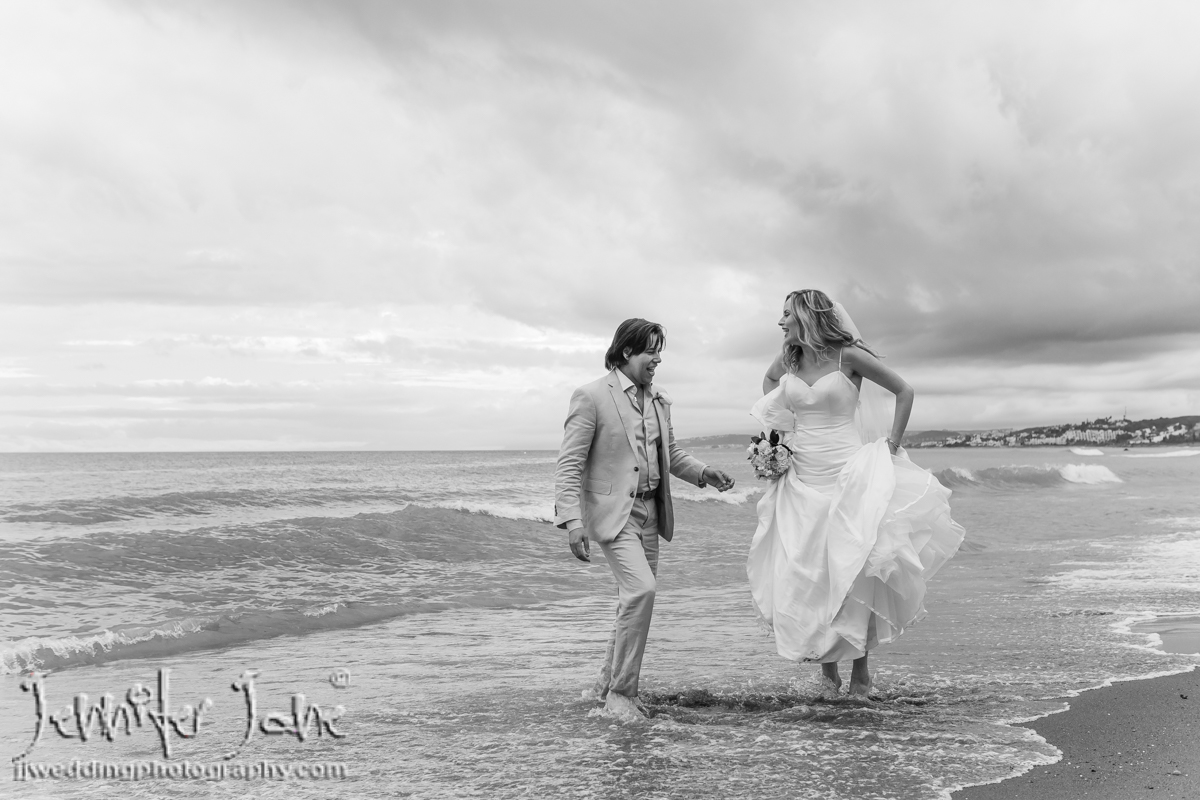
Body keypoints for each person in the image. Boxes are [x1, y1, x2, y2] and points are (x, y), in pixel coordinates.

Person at [748, 289, 964, 696]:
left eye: (785, 315)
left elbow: (905, 391)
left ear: (806, 317)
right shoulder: (789, 358)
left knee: (853, 565)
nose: (780, 323)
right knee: (812, 568)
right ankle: (827, 672)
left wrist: (893, 443)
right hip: (803, 473)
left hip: (847, 471)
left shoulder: (848, 356)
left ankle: (861, 671)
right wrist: (775, 439)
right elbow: (770, 384)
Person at [554, 318, 735, 719]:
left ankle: (605, 684)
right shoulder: (590, 396)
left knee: (631, 602)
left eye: (660, 352)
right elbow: (569, 464)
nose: (657, 360)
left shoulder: (659, 402)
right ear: (626, 353)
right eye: (651, 351)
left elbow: (673, 454)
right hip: (614, 514)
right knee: (641, 591)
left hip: (652, 512)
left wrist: (704, 473)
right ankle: (622, 695)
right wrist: (571, 520)